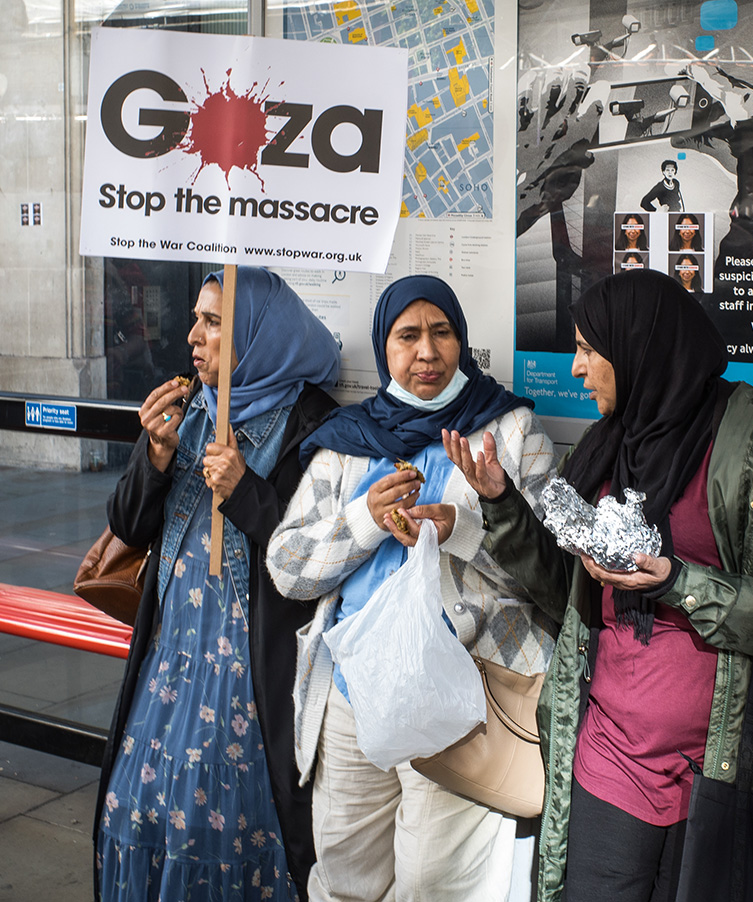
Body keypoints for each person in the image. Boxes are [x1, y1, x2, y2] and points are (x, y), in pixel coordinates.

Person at [443, 269, 753, 902]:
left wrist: (681, 584)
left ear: (638, 346)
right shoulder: (607, 448)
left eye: (586, 349)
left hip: (720, 769)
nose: (576, 369)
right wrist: (501, 506)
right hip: (609, 759)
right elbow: (572, 597)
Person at [266, 275, 557, 902]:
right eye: (408, 336)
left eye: (441, 332)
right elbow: (287, 566)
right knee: (346, 878)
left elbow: (558, 576)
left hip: (461, 696)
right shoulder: (350, 443)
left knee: (437, 885)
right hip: (352, 695)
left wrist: (470, 529)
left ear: (461, 339)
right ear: (384, 347)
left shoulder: (508, 432)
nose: (427, 352)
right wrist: (363, 522)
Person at [94, 267, 342, 901]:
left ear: (259, 336)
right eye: (197, 320)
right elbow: (127, 523)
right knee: (135, 808)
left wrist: (246, 492)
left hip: (244, 669)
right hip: (168, 658)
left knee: (217, 829)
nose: (193, 338)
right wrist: (152, 455)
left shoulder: (313, 429)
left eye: (213, 323)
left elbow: (319, 555)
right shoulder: (191, 410)